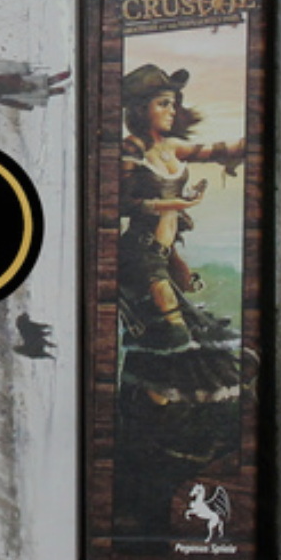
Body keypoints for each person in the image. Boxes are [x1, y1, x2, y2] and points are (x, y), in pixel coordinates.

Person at [116, 64, 245, 350]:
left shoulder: (171, 146)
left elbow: (215, 151)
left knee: (208, 337)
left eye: (173, 104)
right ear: (140, 109)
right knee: (176, 336)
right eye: (163, 104)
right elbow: (121, 204)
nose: (172, 111)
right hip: (140, 256)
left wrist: (250, 143)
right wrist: (173, 203)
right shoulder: (131, 149)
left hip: (163, 255)